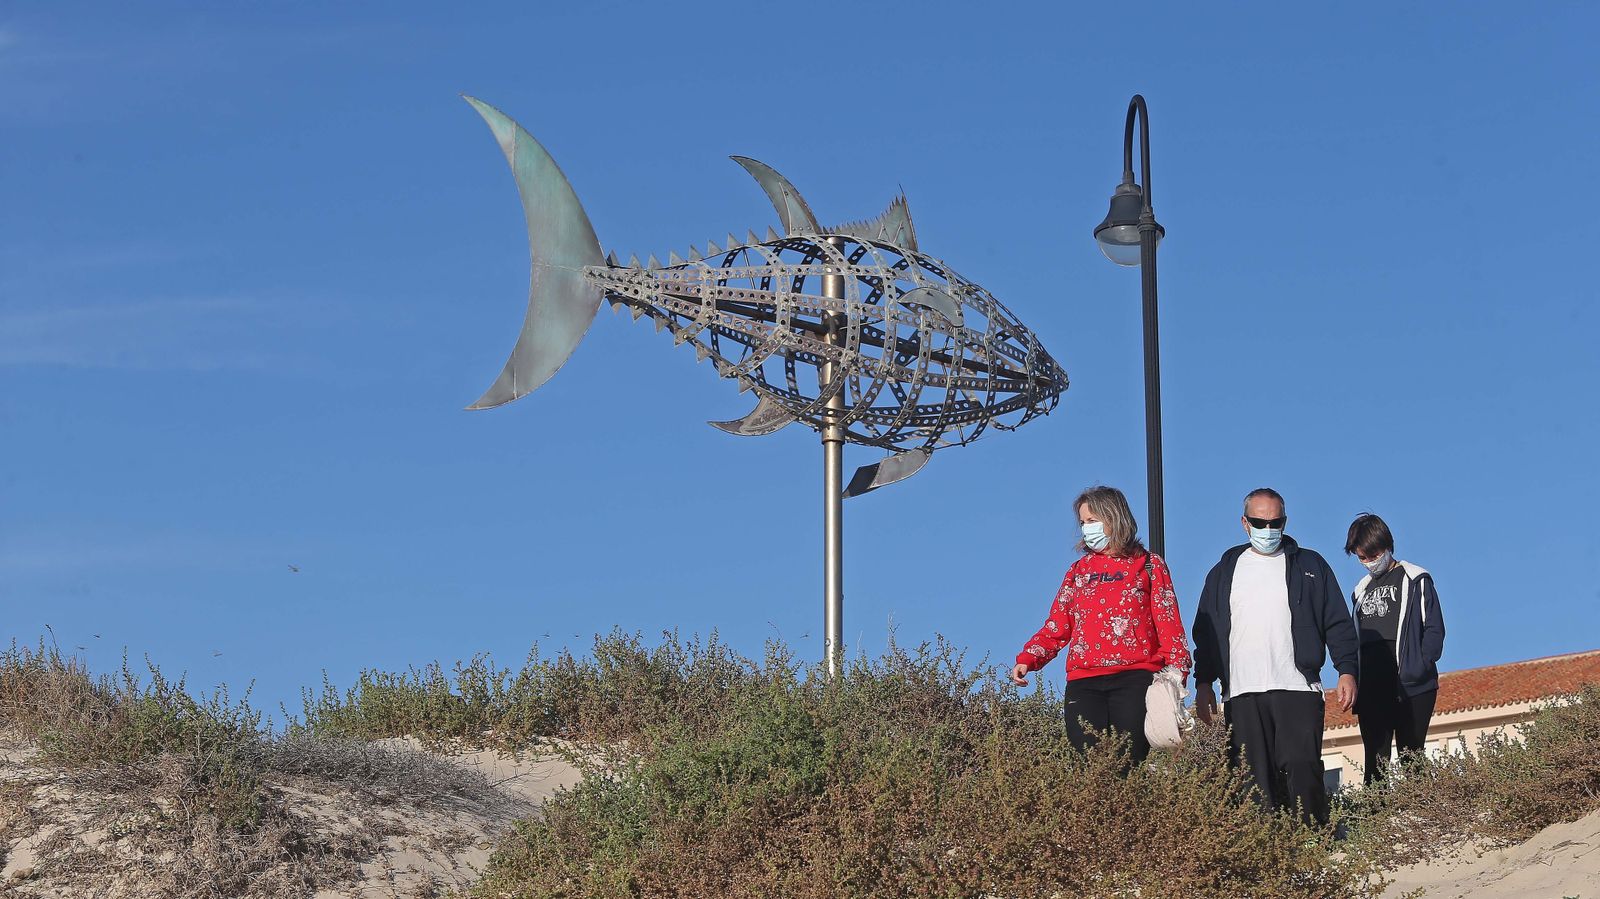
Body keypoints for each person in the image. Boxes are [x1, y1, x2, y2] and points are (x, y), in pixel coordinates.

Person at [1191, 488, 1358, 824]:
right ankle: (1268, 856)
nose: (1267, 530)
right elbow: (1206, 633)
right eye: (1259, 522)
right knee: (1253, 780)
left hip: (1297, 686)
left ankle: (1313, 842)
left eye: (1275, 522)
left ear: (1284, 521)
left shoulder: (1310, 565)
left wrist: (1347, 670)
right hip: (1241, 692)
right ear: (1244, 523)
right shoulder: (1224, 572)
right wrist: (1204, 683)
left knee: (1302, 765)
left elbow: (1337, 620)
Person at [1010, 485, 1191, 766]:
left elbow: (1169, 624)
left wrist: (1179, 672)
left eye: (1092, 521)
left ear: (1114, 519)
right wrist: (1029, 659)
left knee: (1127, 762)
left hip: (1136, 679)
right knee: (1090, 762)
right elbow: (1058, 624)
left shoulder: (1149, 565)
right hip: (1084, 682)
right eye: (1083, 523)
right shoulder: (1078, 572)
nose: (1086, 528)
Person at [1346, 512, 1445, 784]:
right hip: (1371, 686)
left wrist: (1421, 664)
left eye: (1373, 554)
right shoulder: (1360, 591)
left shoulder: (1416, 578)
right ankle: (1377, 821)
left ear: (1387, 545)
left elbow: (1435, 629)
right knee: (1374, 761)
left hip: (1411, 683)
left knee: (1411, 754)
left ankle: (1423, 816)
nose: (1369, 562)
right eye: (1361, 557)